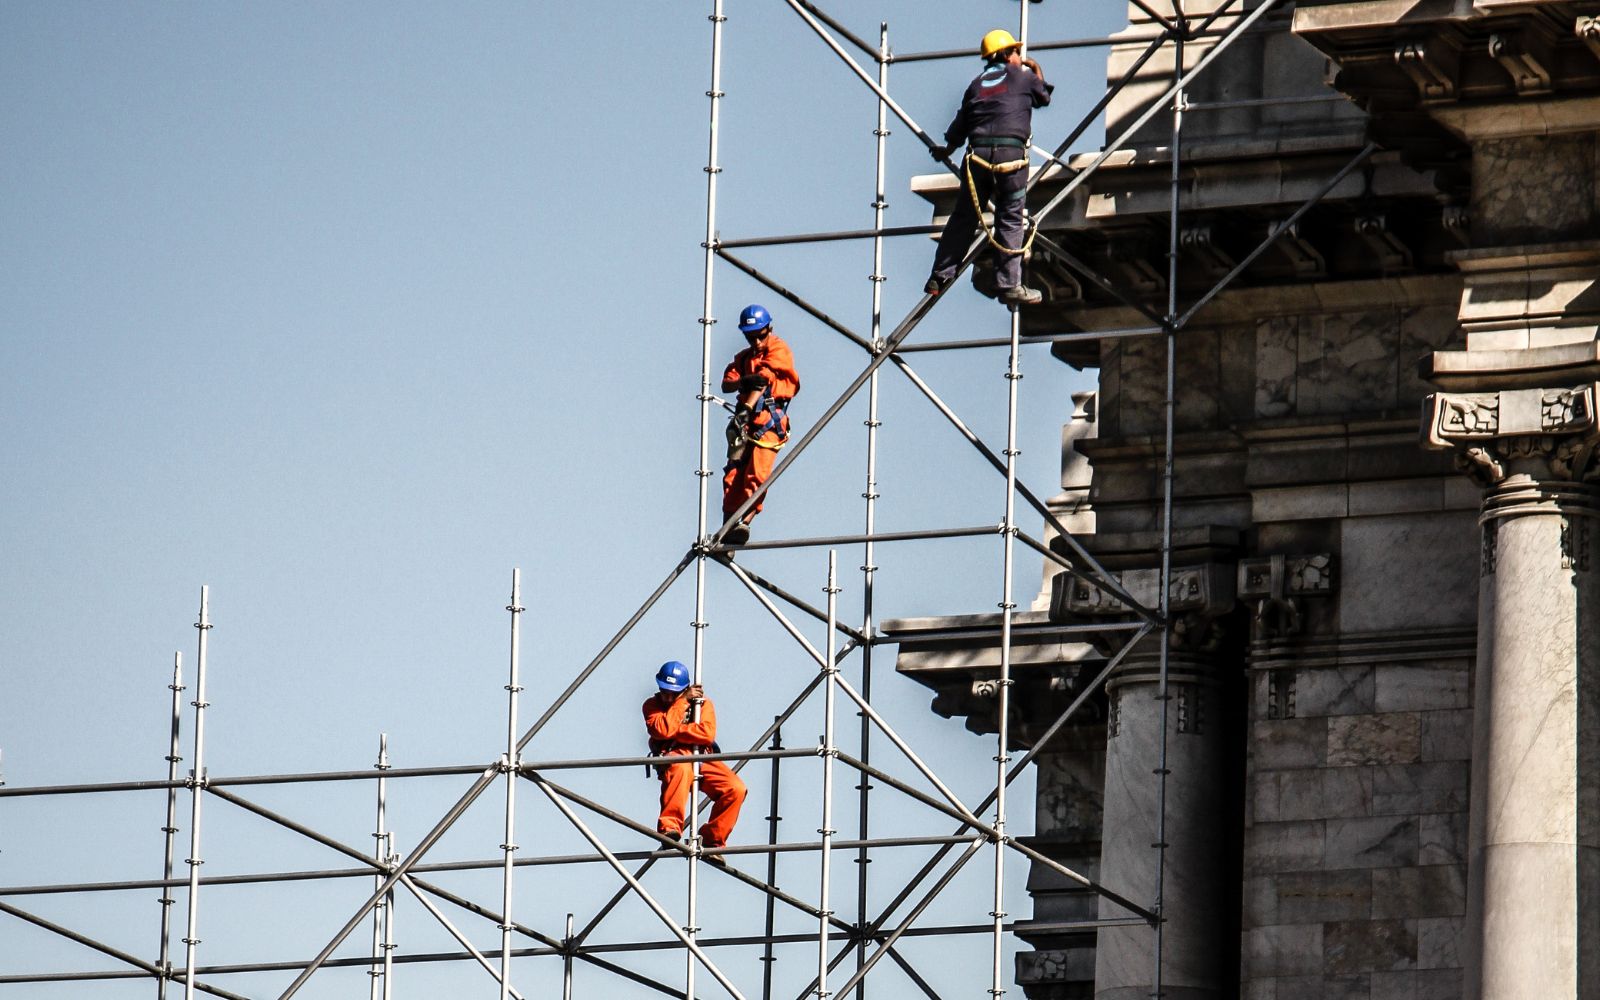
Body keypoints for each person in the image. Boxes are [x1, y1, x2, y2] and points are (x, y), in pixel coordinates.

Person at [924, 28, 1053, 307]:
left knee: (963, 218)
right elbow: (1043, 97)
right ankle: (1008, 284)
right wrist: (1035, 67)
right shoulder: (1023, 76)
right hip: (1010, 157)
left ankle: (939, 276)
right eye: (1016, 51)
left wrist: (946, 149)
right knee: (1010, 216)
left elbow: (961, 123)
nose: (1020, 55)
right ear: (1007, 54)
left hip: (977, 157)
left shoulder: (976, 84)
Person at [642, 660, 747, 859]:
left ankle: (713, 840)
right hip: (675, 755)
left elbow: (706, 734)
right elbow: (661, 729)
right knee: (680, 770)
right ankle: (669, 829)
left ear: (685, 689)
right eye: (665, 691)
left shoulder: (702, 704)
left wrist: (674, 731)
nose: (668, 696)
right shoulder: (652, 705)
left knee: (735, 788)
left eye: (675, 692)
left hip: (703, 756)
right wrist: (682, 704)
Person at [720, 304, 800, 545]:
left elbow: (764, 379)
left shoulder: (778, 349)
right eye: (750, 337)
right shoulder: (745, 358)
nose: (755, 342)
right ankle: (726, 532)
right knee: (733, 476)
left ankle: (744, 522)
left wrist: (746, 406)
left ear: (769, 329)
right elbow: (727, 383)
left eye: (760, 336)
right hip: (745, 426)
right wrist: (743, 382)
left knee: (758, 475)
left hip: (768, 423)